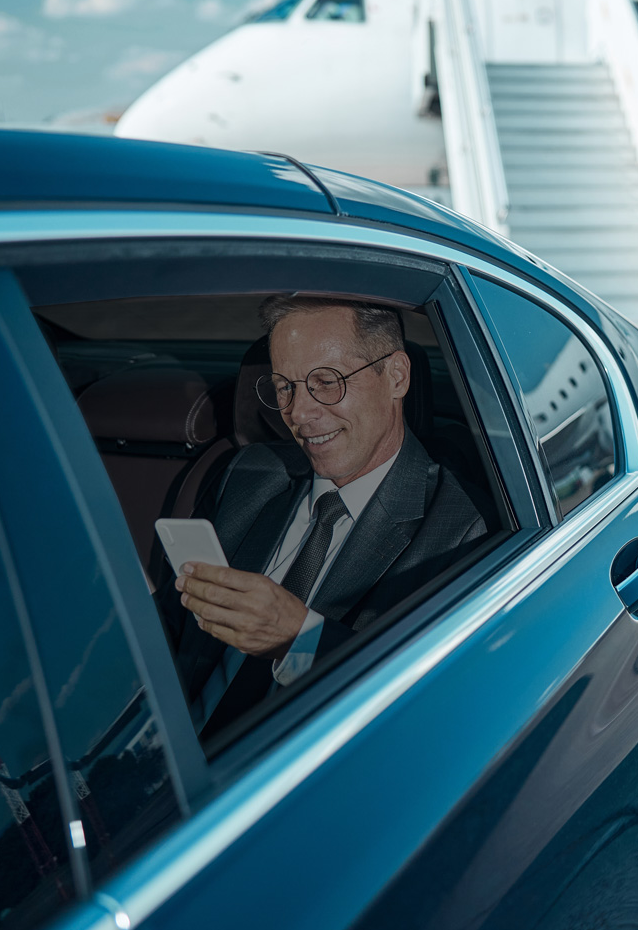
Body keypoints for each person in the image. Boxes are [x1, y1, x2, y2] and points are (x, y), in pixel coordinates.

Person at [167, 294, 487, 741]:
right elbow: (168, 630)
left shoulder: (461, 530)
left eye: (326, 380)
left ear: (396, 376)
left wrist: (297, 640)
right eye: (285, 386)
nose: (298, 413)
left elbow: (430, 710)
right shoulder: (248, 475)